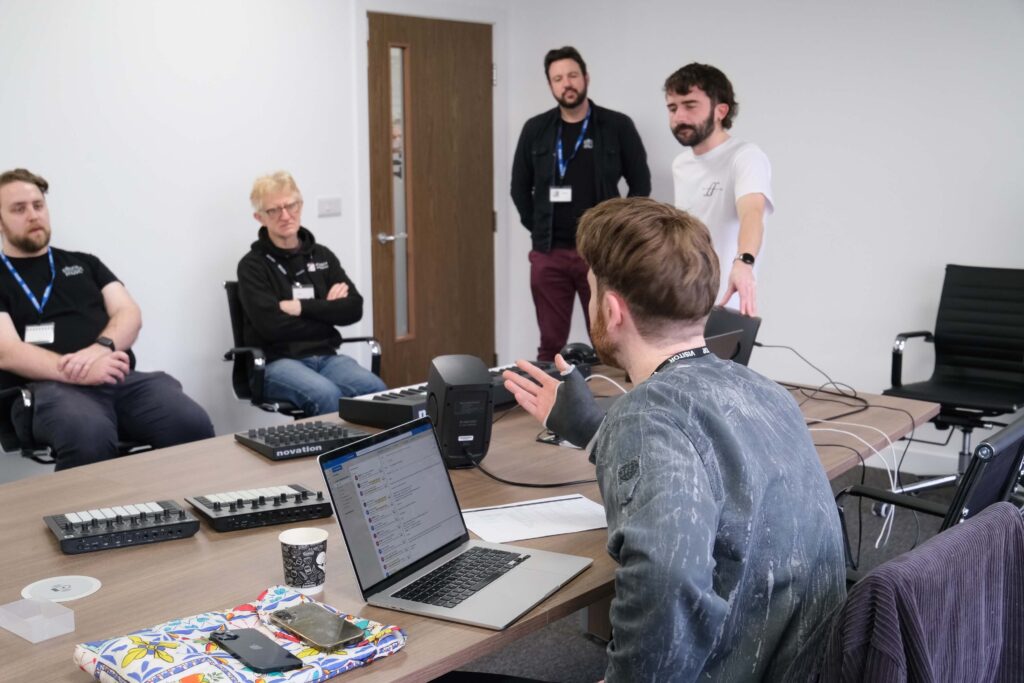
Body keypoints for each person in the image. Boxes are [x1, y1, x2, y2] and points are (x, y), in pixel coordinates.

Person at [503, 198, 845, 681]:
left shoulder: (648, 418)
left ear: (611, 310)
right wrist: (598, 431)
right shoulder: (764, 390)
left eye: (592, 289)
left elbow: (667, 576)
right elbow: (715, 479)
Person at [0, 168, 214, 470]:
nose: (33, 215)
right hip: (47, 389)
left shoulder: (84, 263)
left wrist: (100, 349)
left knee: (191, 422)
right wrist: (82, 372)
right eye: (19, 209)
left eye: (38, 205)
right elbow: (7, 351)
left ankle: (187, 499)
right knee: (89, 436)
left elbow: (129, 313)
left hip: (118, 379)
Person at [511, 46, 651, 361]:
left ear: (586, 77)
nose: (567, 84)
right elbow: (519, 189)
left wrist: (619, 233)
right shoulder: (535, 130)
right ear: (550, 85)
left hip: (600, 254)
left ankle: (610, 393)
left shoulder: (617, 126)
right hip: (549, 253)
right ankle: (549, 392)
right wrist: (538, 228)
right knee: (550, 343)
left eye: (572, 75)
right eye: (558, 78)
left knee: (609, 340)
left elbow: (641, 185)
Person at [237, 171, 386, 416]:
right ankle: (335, 445)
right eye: (274, 210)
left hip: (327, 358)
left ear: (301, 206)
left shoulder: (322, 256)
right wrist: (327, 313)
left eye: (290, 206)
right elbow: (271, 327)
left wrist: (302, 308)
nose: (285, 215)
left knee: (375, 390)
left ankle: (370, 444)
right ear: (259, 217)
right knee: (326, 396)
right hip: (276, 362)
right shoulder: (252, 266)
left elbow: (353, 309)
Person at [667, 63, 773, 317]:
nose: (679, 117)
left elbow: (752, 213)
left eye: (690, 105)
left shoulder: (745, 156)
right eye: (672, 108)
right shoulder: (680, 164)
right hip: (682, 303)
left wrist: (744, 262)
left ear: (720, 110)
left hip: (726, 303)